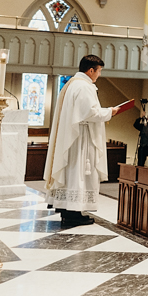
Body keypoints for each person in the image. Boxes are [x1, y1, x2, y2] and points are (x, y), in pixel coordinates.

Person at [44, 55, 119, 226]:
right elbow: (90, 113)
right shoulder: (84, 87)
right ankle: (73, 212)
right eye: (99, 71)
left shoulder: (72, 84)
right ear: (91, 70)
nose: (99, 75)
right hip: (81, 138)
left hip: (73, 136)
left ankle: (66, 209)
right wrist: (111, 112)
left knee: (71, 173)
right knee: (79, 172)